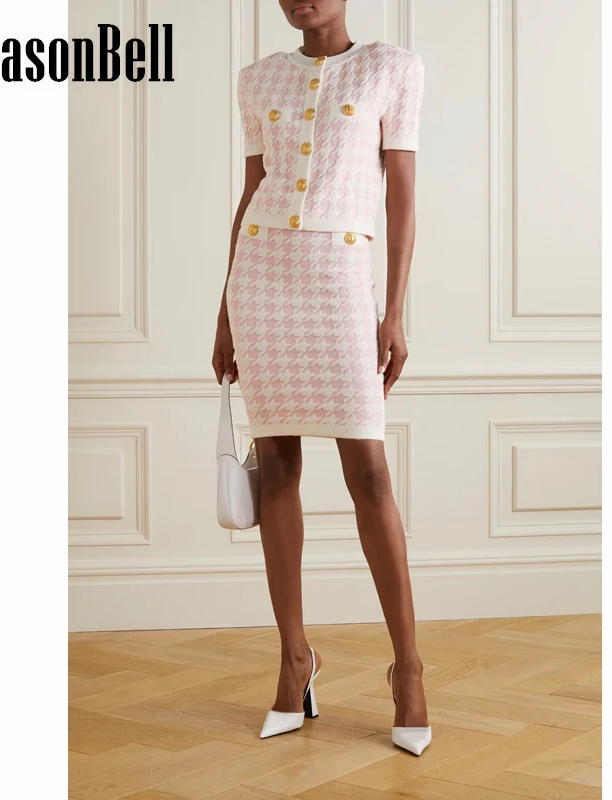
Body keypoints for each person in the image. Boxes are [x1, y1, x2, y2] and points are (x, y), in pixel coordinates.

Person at [212, 0, 430, 755]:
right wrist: (225, 310)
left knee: (368, 471)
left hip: (339, 277)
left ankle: (409, 670)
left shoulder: (392, 68)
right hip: (261, 279)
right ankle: (294, 660)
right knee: (277, 470)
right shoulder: (257, 79)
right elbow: (251, 195)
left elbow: (401, 198)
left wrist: (393, 311)